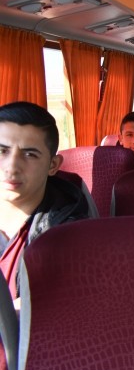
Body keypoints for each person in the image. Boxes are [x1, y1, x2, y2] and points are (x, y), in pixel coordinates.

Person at [0, 102, 89, 298]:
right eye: (2, 151)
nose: (11, 167)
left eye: (29, 154)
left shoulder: (70, 238)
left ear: (53, 165)